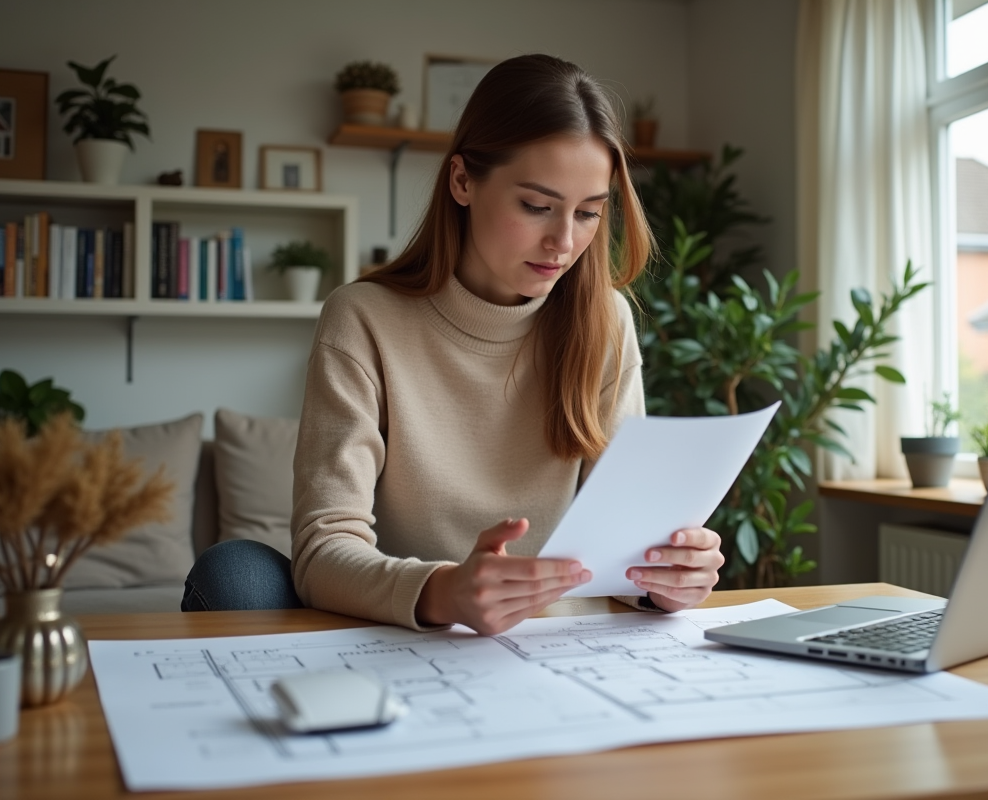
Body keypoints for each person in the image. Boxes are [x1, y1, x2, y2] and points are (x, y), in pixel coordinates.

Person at [182, 54, 724, 634]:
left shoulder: (604, 321)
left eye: (589, 213)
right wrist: (445, 592)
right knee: (233, 573)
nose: (564, 242)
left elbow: (622, 545)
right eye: (536, 206)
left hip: (562, 638)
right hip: (407, 629)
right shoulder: (363, 318)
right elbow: (323, 548)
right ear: (463, 181)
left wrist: (665, 581)